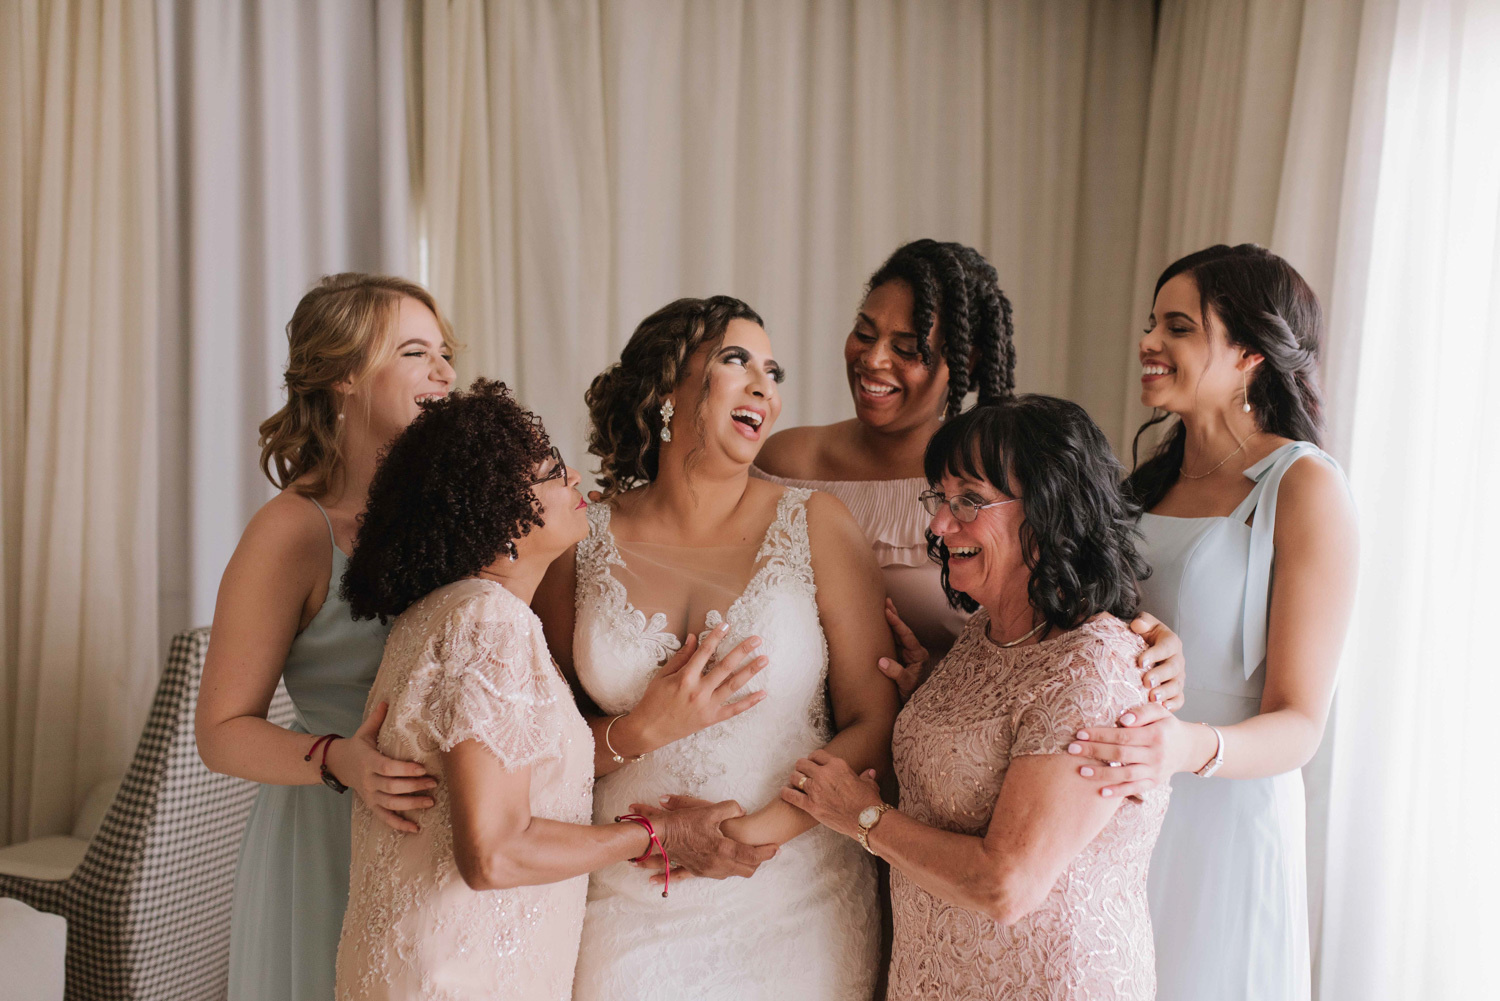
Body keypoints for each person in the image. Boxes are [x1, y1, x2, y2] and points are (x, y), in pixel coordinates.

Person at [332, 380, 772, 1001]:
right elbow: (494, 853)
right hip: (466, 976)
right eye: (551, 472)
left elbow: (518, 773)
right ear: (503, 518)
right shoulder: (490, 623)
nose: (575, 479)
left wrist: (648, 728)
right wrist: (659, 835)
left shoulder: (438, 616)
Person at [534, 296, 898, 1001]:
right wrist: (640, 731)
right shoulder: (578, 540)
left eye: (773, 372)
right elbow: (547, 741)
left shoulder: (817, 523)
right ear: (667, 388)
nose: (765, 387)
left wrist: (750, 832)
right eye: (738, 361)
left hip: (793, 894)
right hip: (632, 885)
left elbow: (875, 720)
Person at [789, 397, 1169, 1000]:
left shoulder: (1093, 667)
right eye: (939, 499)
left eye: (968, 501)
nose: (939, 526)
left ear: (1049, 509)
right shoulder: (983, 635)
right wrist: (930, 698)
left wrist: (861, 817)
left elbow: (1006, 884)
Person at [1067, 244, 1358, 1001]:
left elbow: (1300, 724)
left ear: (1251, 354)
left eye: (1178, 327)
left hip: (1224, 819)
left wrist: (1183, 748)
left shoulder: (1302, 486)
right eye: (1151, 323)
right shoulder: (1141, 487)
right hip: (1118, 811)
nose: (1148, 342)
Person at [754, 239, 1185, 703]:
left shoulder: (1001, 481)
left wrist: (1152, 643)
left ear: (967, 359)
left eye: (907, 347)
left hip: (942, 727)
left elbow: (1085, 608)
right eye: (864, 332)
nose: (874, 359)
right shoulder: (784, 461)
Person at [195, 274, 457, 1001]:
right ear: (344, 373)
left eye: (445, 353)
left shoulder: (454, 513)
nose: (444, 371)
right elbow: (220, 732)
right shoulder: (291, 531)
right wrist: (340, 759)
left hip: (450, 841)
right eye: (415, 352)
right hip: (331, 836)